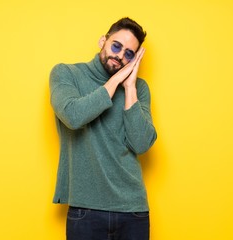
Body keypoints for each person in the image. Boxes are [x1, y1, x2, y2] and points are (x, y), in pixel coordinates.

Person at [49, 17, 157, 240]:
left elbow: (142, 143)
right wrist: (116, 80)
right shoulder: (66, 74)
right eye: (116, 46)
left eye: (129, 53)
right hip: (85, 209)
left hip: (133, 209)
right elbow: (73, 115)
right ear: (102, 41)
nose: (120, 55)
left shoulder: (139, 88)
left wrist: (129, 88)